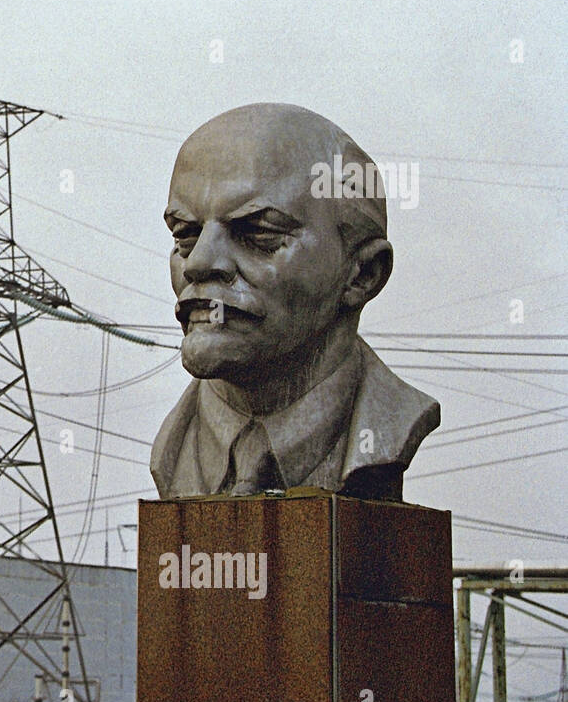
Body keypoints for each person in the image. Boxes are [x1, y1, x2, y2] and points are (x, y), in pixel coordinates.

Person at [149, 103, 439, 501]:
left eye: (260, 234)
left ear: (362, 273)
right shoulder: (173, 451)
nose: (199, 263)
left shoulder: (390, 429)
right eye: (185, 235)